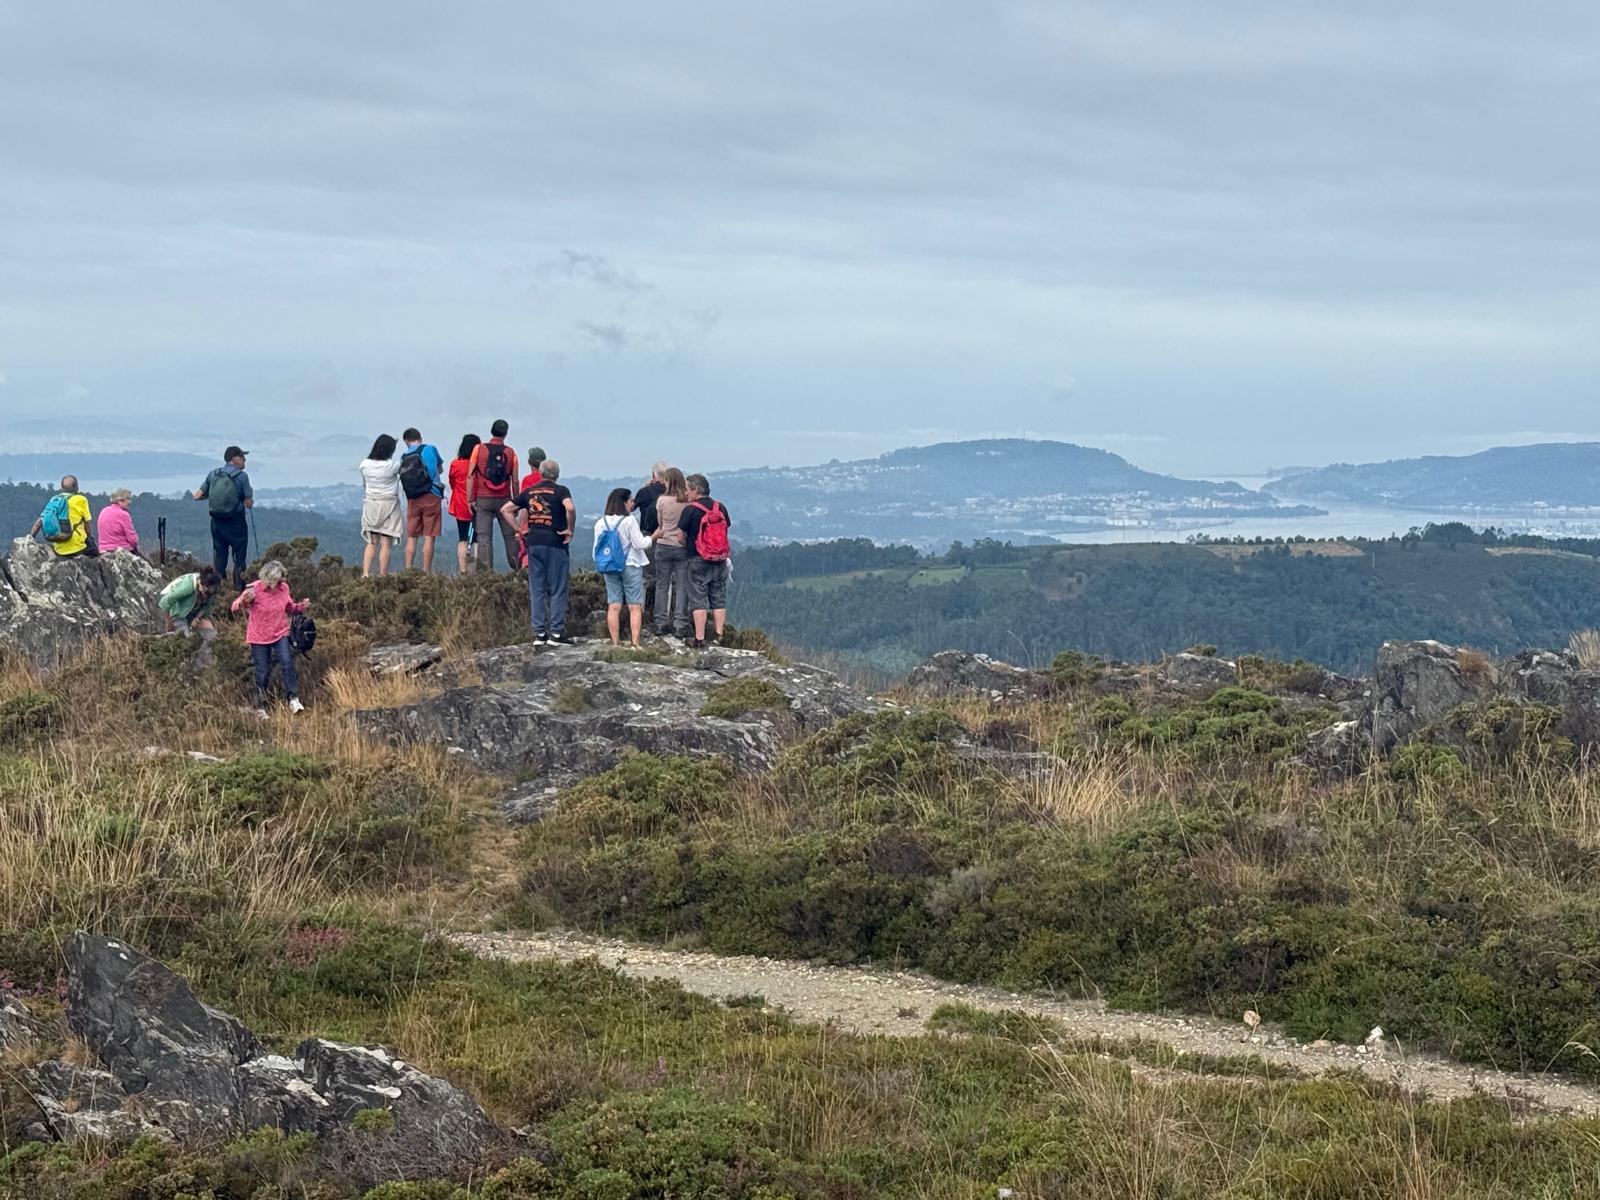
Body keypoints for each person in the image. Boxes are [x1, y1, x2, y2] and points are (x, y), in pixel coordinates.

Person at [504, 458, 576, 644]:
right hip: (555, 543)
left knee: (537, 588)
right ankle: (556, 633)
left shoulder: (530, 492)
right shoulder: (561, 491)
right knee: (558, 588)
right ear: (557, 475)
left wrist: (519, 529)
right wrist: (570, 529)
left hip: (534, 543)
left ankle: (539, 633)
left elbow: (506, 509)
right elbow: (570, 507)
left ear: (542, 474)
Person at [231, 558, 309, 714]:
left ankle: (293, 699)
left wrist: (301, 606)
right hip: (259, 637)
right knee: (263, 670)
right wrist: (243, 602)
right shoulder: (254, 589)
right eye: (269, 580)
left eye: (275, 580)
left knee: (287, 662)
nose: (272, 584)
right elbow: (234, 607)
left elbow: (289, 607)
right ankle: (259, 705)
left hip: (280, 633)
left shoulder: (284, 588)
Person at [679, 474, 733, 647]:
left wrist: (687, 544)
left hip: (697, 558)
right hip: (720, 558)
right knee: (718, 598)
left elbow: (680, 535)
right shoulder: (720, 507)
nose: (686, 493)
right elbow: (725, 529)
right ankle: (719, 636)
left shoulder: (690, 509)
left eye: (688, 489)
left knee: (698, 599)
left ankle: (699, 639)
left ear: (696, 490)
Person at [593, 487, 650, 647]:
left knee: (614, 605)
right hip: (630, 564)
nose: (633, 503)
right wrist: (653, 537)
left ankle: (615, 642)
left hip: (609, 566)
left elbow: (596, 550)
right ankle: (635, 643)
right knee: (634, 606)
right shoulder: (629, 521)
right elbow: (640, 544)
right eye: (630, 500)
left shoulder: (600, 523)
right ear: (623, 502)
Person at [193, 447, 253, 590]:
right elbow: (248, 504)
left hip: (217, 523)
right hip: (236, 523)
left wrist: (213, 497)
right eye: (242, 457)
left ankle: (219, 591)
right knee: (239, 558)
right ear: (235, 459)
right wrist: (247, 499)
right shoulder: (242, 476)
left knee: (219, 558)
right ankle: (239, 590)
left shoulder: (214, 474)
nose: (245, 460)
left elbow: (197, 496)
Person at [465, 419, 520, 571]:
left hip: (483, 498)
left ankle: (487, 573)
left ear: (491, 431)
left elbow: (470, 476)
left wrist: (470, 499)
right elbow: (515, 481)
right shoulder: (511, 453)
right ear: (506, 434)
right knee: (510, 535)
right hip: (504, 499)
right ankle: (518, 567)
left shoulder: (479, 449)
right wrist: (516, 502)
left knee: (484, 537)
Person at [649, 467, 691, 639]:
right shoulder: (687, 501)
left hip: (664, 545)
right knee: (682, 586)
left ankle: (660, 622)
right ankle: (680, 623)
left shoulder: (662, 501)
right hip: (682, 546)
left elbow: (660, 523)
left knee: (662, 585)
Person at [358, 434, 405, 577]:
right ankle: (382, 574)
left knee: (372, 542)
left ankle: (365, 574)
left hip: (371, 504)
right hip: (389, 505)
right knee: (386, 543)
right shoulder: (392, 466)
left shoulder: (364, 465)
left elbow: (365, 485)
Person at [399, 428, 445, 573]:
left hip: (413, 498)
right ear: (420, 437)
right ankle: (426, 572)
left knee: (412, 536)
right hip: (432, 495)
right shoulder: (430, 449)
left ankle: (407, 571)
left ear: (406, 441)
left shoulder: (404, 456)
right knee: (429, 536)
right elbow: (439, 469)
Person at [159, 566, 222, 663]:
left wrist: (197, 619)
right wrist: (169, 623)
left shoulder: (210, 592)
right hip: (179, 613)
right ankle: (190, 664)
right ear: (200, 583)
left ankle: (209, 662)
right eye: (206, 590)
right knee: (187, 641)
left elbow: (206, 608)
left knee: (211, 635)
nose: (208, 594)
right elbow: (164, 602)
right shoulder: (187, 587)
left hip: (193, 614)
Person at [29, 476, 94, 558]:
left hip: (58, 549)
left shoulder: (55, 500)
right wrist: (89, 538)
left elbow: (39, 522)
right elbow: (87, 526)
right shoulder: (81, 500)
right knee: (96, 557)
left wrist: (31, 538)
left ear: (62, 488)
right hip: (78, 547)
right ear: (76, 487)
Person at [446, 433, 481, 575]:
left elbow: (452, 482)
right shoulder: (479, 465)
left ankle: (463, 571)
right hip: (477, 504)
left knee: (462, 538)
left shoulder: (455, 464)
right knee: (477, 539)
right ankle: (476, 570)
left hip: (461, 504)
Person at [95, 488, 140, 554]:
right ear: (119, 500)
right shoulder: (123, 515)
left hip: (103, 550)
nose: (130, 502)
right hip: (120, 550)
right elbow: (132, 539)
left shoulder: (104, 511)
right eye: (127, 499)